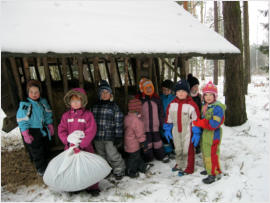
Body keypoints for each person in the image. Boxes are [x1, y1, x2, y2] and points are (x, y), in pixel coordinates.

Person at [58, 88, 100, 196]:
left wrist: (82, 145)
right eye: (73, 101)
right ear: (69, 102)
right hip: (70, 148)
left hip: (85, 148)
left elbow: (91, 131)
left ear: (83, 101)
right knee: (71, 167)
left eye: (78, 100)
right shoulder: (66, 116)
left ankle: (92, 187)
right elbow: (61, 130)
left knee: (88, 166)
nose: (75, 103)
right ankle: (73, 186)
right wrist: (67, 143)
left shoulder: (88, 115)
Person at [16, 80, 54, 176]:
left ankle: (47, 166)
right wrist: (25, 133)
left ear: (40, 92)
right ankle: (40, 169)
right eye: (31, 92)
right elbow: (22, 120)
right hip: (33, 131)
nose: (34, 94)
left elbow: (48, 114)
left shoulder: (43, 102)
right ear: (28, 93)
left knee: (45, 148)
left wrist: (49, 125)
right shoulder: (25, 105)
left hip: (43, 129)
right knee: (37, 151)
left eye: (36, 92)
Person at [163, 79, 200, 176]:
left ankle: (189, 168)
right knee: (178, 149)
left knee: (187, 149)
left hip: (188, 131)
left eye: (183, 91)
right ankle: (180, 164)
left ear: (187, 92)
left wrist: (196, 132)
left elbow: (196, 119)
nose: (181, 93)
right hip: (176, 130)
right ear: (175, 92)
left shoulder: (191, 105)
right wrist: (167, 129)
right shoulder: (172, 104)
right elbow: (168, 117)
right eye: (178, 91)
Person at [192, 81, 226, 184]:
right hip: (205, 133)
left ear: (215, 96)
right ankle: (208, 169)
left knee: (212, 154)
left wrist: (200, 123)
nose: (208, 97)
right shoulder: (206, 105)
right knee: (205, 151)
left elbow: (214, 124)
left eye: (211, 95)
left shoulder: (218, 107)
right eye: (206, 94)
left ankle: (214, 173)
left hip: (213, 134)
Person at [92, 80, 126, 180]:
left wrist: (118, 136)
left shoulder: (114, 107)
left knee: (113, 155)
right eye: (102, 92)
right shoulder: (94, 107)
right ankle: (105, 171)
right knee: (100, 155)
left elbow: (119, 122)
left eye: (107, 92)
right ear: (99, 94)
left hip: (110, 137)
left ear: (110, 94)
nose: (104, 94)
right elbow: (91, 122)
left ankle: (119, 170)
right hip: (97, 137)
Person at [136, 78, 169, 163]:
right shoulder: (140, 100)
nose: (149, 89)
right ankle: (148, 158)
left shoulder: (156, 99)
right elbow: (137, 115)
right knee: (147, 144)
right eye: (146, 88)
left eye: (150, 87)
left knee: (158, 142)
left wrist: (162, 124)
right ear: (142, 89)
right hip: (144, 128)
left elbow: (161, 113)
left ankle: (160, 155)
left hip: (155, 127)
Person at [124, 97, 151, 178]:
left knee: (137, 157)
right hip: (134, 144)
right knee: (134, 158)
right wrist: (144, 143)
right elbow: (140, 134)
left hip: (128, 142)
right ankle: (130, 171)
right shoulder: (136, 121)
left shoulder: (127, 117)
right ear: (138, 109)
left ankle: (142, 167)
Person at [160, 79, 176, 158]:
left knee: (173, 136)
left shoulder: (174, 98)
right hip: (163, 121)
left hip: (172, 121)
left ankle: (174, 149)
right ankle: (167, 151)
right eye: (164, 90)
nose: (165, 91)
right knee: (165, 137)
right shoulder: (160, 98)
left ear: (171, 90)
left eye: (167, 90)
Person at [187, 73, 202, 154]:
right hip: (189, 119)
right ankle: (190, 146)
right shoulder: (187, 97)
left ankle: (197, 146)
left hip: (198, 118)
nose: (196, 88)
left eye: (197, 86)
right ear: (190, 87)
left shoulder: (199, 96)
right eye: (194, 86)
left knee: (198, 132)